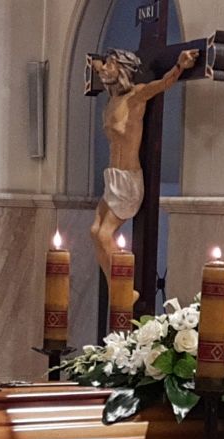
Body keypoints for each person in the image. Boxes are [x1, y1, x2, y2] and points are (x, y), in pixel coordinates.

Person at [90, 47, 199, 302]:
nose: (105, 68)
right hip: (112, 177)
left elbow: (162, 84)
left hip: (128, 180)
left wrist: (180, 66)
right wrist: (96, 64)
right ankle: (116, 287)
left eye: (111, 63)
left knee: (104, 235)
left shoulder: (136, 96)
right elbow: (98, 69)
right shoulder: (111, 101)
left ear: (123, 68)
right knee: (94, 231)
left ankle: (124, 288)